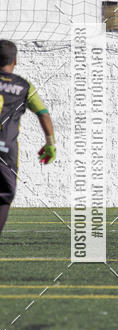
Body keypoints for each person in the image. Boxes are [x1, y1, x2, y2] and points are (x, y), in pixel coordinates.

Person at [0, 40, 56, 236]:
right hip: (6, 150)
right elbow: (43, 113)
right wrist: (50, 144)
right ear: (15, 61)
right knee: (3, 196)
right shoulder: (24, 87)